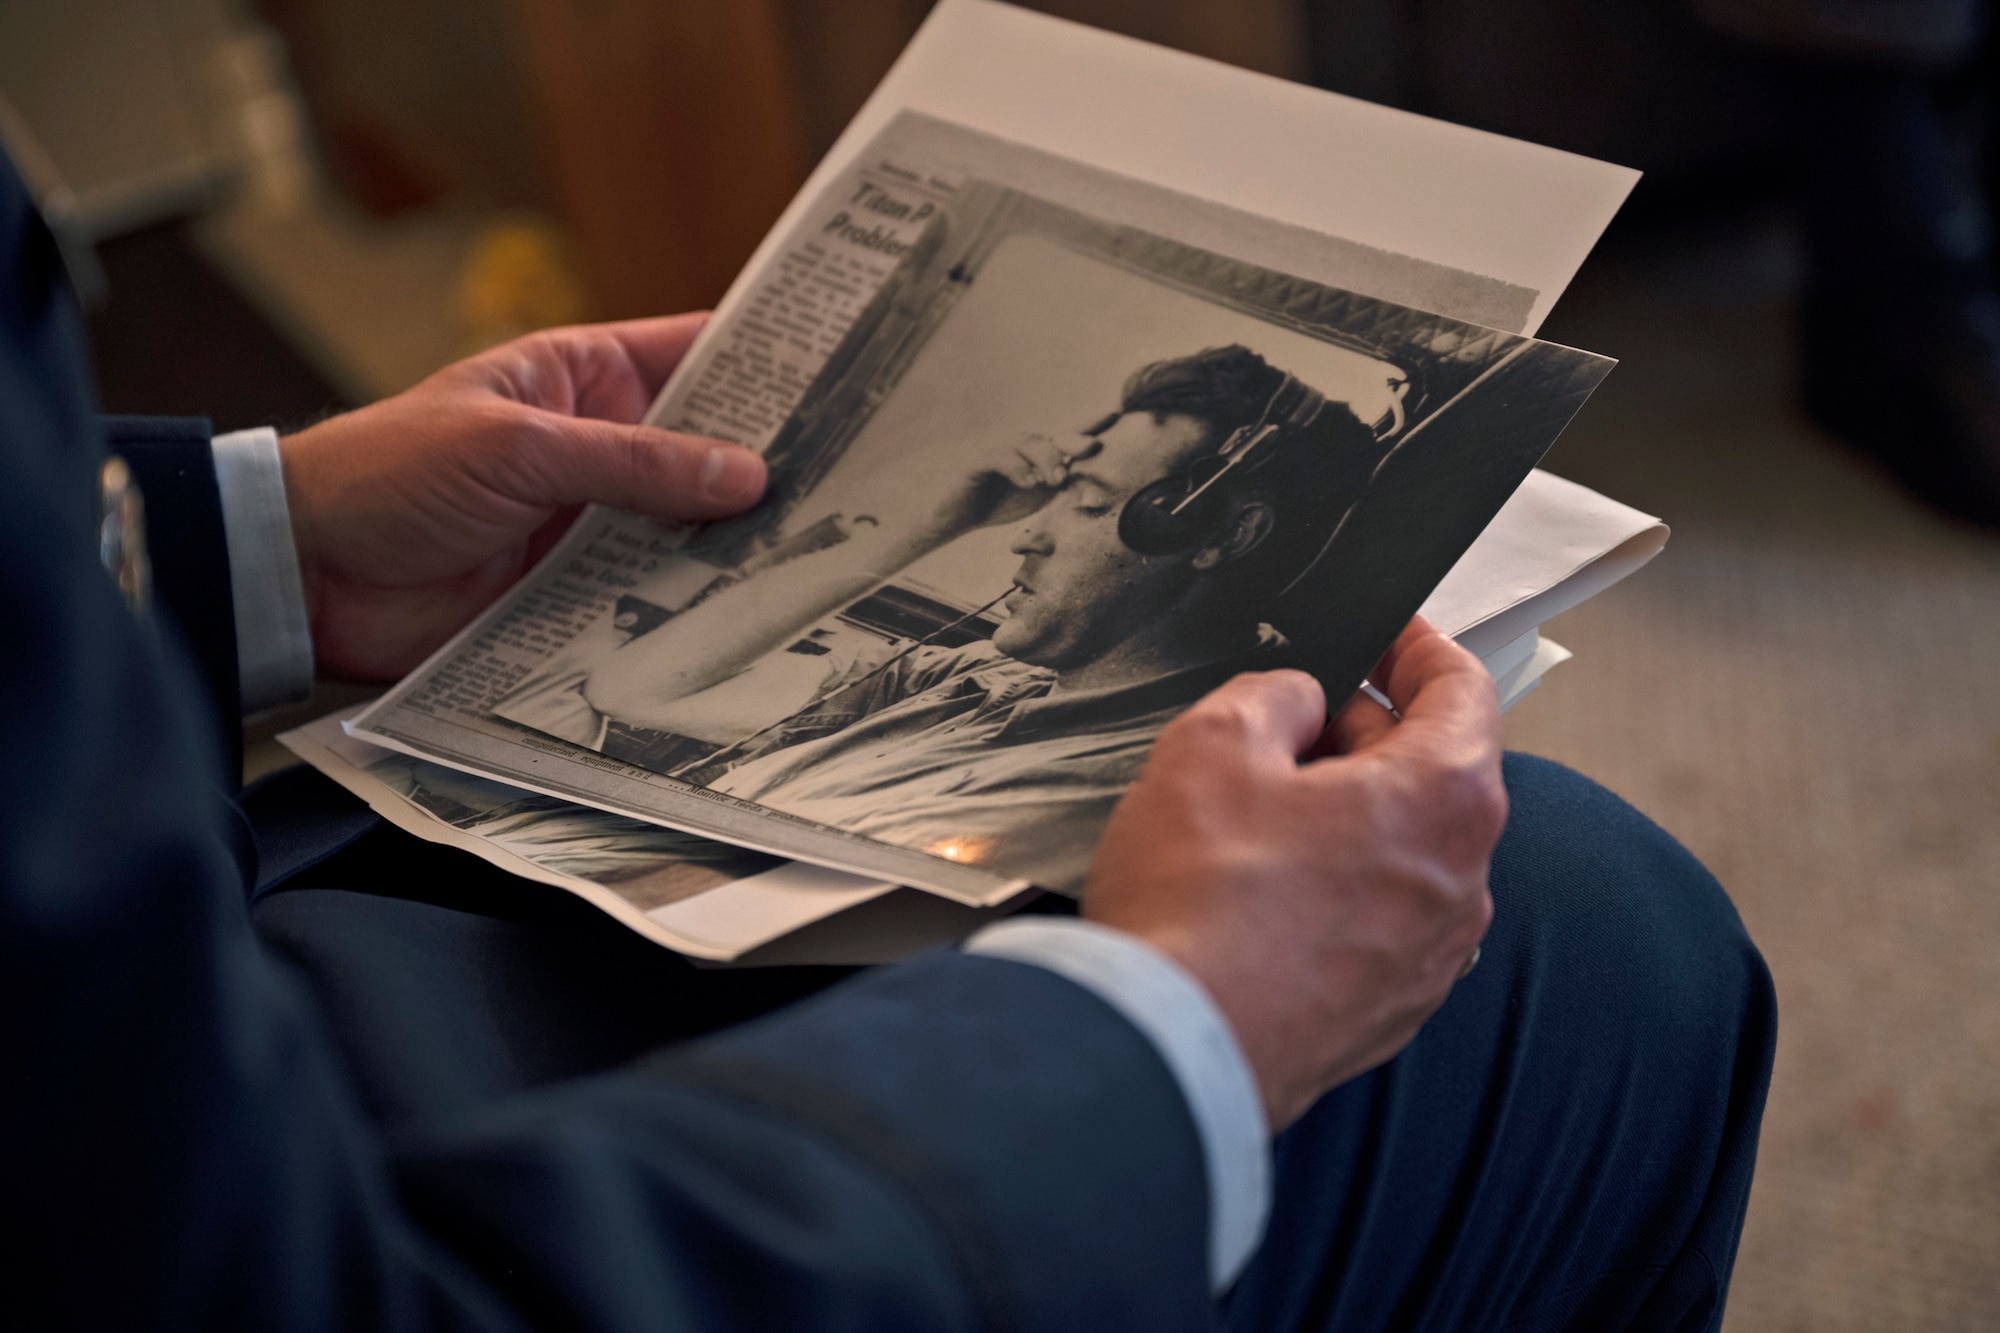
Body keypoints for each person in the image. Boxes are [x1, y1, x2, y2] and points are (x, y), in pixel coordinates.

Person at [3, 145, 1776, 1330]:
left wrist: (245, 545)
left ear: (1219, 538)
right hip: (327, 1184)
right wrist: (1177, 1028)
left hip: (187, 978)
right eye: (1065, 471)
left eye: (1098, 492)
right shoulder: (931, 639)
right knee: (1596, 926)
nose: (1040, 504)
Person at [581, 345, 1383, 890]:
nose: (1027, 536)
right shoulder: (975, 674)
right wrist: (933, 522)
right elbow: (634, 689)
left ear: (1220, 532)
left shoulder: (1156, 781)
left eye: (1091, 504)